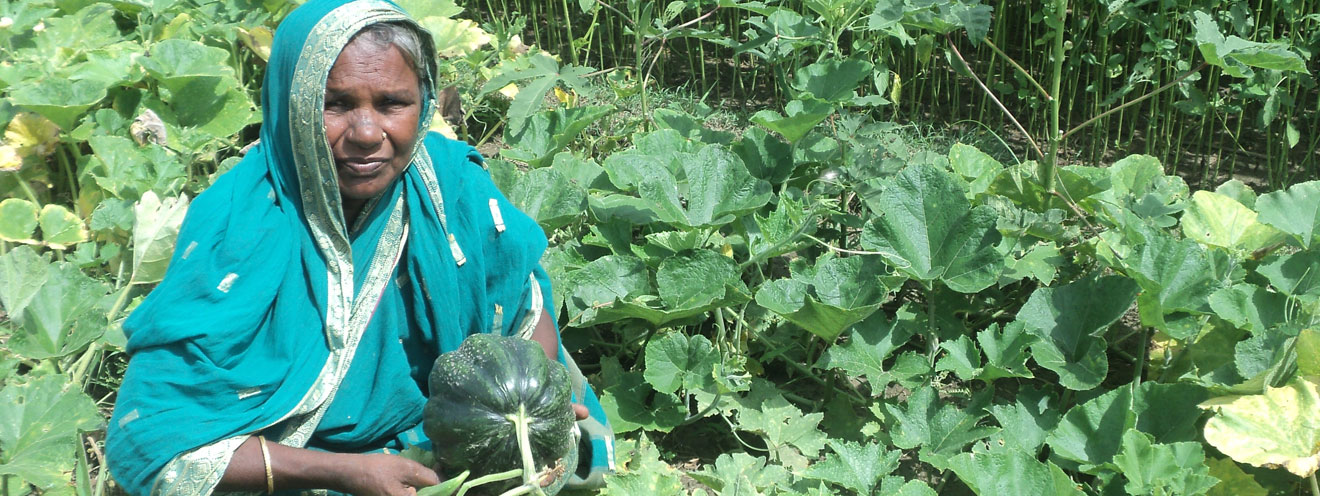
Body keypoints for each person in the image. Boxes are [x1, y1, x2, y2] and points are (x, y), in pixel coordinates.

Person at [104, 0, 613, 494]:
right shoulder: (240, 222)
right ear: (292, 105)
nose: (368, 133)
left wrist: (532, 403)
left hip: (454, 431)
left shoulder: (454, 185)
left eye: (393, 103)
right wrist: (341, 472)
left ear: (425, 101)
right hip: (299, 458)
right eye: (337, 104)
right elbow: (153, 435)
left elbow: (522, 299)